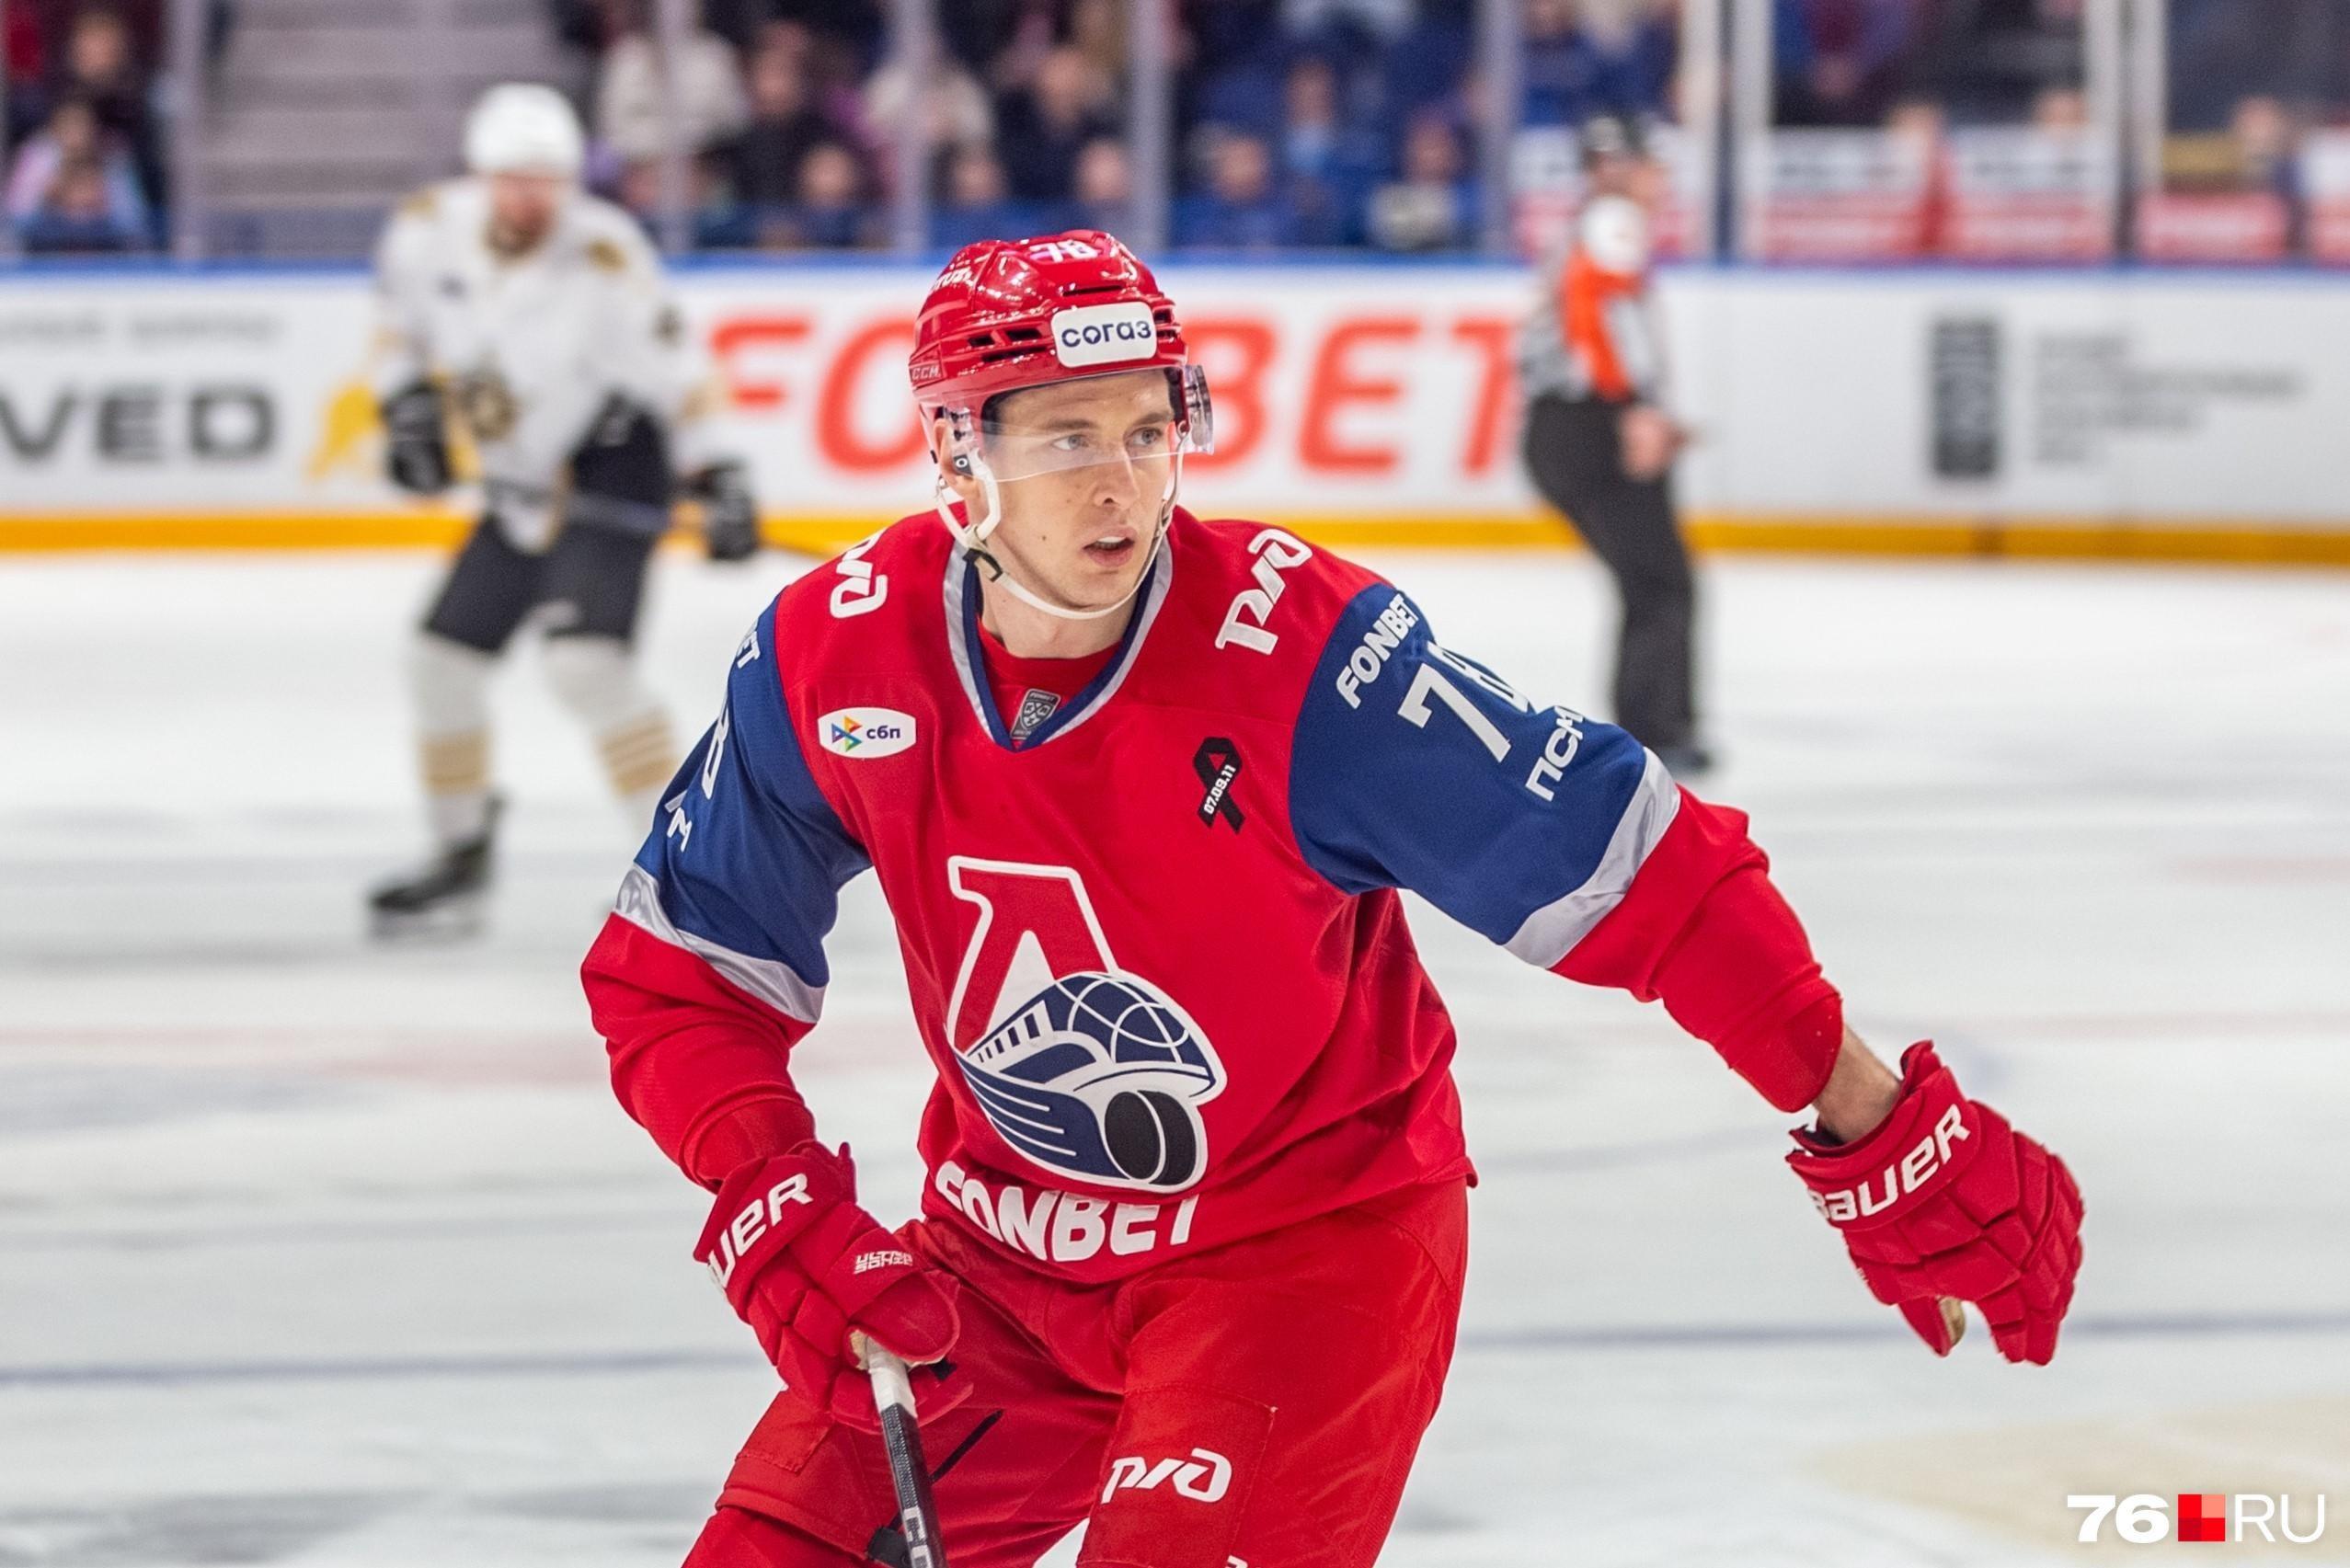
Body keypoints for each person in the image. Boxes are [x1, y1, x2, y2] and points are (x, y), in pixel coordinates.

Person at [581, 229, 2084, 1567]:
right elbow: (679, 974)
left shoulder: (1304, 660)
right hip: (996, 1265)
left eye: (1147, 427)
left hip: (1297, 1257)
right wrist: (769, 1190)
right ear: (956, 455)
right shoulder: (830, 654)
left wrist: (1874, 1121)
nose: (1119, 482)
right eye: (1063, 436)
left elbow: (1645, 873)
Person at [366, 83, 760, 937]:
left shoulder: (605, 253)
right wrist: (405, 410)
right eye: (514, 180)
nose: (530, 199)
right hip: (518, 484)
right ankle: (459, 851)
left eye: (546, 182)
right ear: (482, 176)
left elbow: (680, 372)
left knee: (585, 665)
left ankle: (687, 863)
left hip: (609, 467)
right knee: (440, 662)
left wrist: (720, 472)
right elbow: (399, 332)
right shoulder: (426, 231)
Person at [1519, 115, 1706, 772]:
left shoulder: (1588, 225)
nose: (1661, 181)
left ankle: (1650, 727)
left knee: (1649, 581)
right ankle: (1657, 730)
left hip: (1572, 423)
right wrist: (1635, 409)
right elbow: (1596, 315)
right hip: (1591, 422)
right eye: (1652, 165)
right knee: (1661, 581)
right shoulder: (1611, 221)